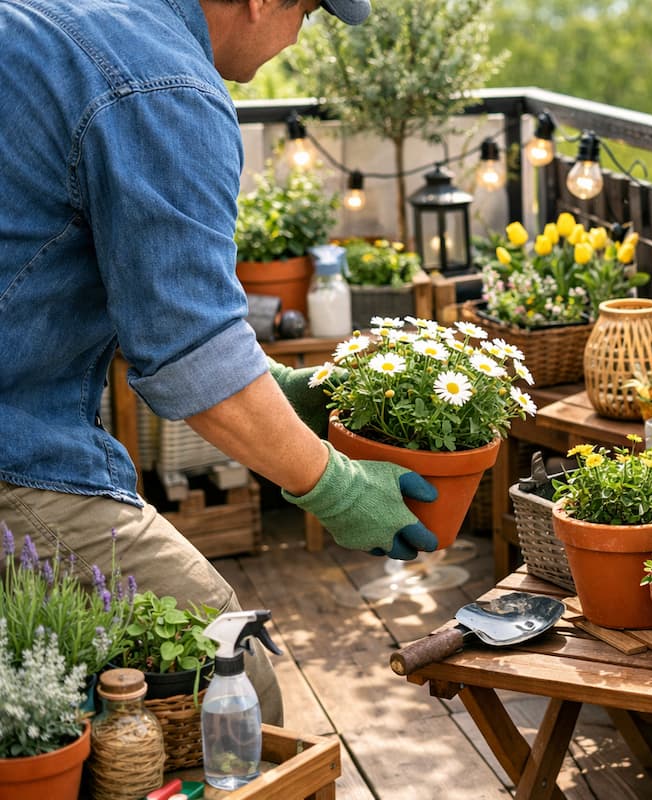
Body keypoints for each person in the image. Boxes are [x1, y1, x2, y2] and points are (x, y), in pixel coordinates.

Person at [0, 0, 440, 726]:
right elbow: (191, 355)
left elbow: (155, 306)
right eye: (307, 12)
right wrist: (338, 488)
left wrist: (280, 388)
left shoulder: (72, 21)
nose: (296, 37)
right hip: (17, 452)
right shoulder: (163, 86)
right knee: (235, 682)